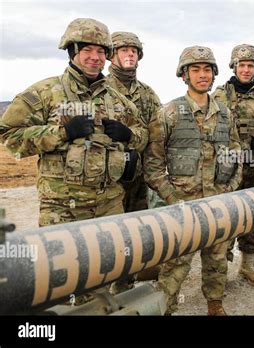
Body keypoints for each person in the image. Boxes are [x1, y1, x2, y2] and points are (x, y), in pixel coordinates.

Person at [0, 18, 148, 306]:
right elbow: (9, 136)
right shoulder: (45, 93)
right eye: (87, 51)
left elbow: (143, 136)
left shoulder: (117, 100)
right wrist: (60, 133)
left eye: (101, 51)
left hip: (109, 204)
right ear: (72, 51)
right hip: (62, 208)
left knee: (105, 272)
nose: (95, 58)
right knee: (60, 280)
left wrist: (129, 134)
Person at [144, 46, 242, 315]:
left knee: (217, 260)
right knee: (175, 263)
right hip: (182, 208)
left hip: (217, 203)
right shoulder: (169, 113)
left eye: (207, 69)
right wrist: (172, 198)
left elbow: (237, 153)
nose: (202, 75)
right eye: (195, 69)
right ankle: (165, 308)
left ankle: (215, 304)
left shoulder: (225, 113)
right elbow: (152, 164)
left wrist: (230, 189)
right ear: (184, 75)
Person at [106, 31, 164, 294]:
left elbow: (158, 134)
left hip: (139, 177)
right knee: (109, 233)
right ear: (112, 55)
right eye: (123, 50)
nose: (129, 54)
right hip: (108, 178)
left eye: (133, 51)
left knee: (137, 228)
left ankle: (125, 283)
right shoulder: (100, 89)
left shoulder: (148, 94)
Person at [213, 44, 254, 287]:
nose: (247, 70)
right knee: (224, 216)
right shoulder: (218, 96)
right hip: (224, 169)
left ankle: (247, 264)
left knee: (252, 215)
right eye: (242, 65)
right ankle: (220, 269)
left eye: (251, 65)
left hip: (253, 169)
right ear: (234, 67)